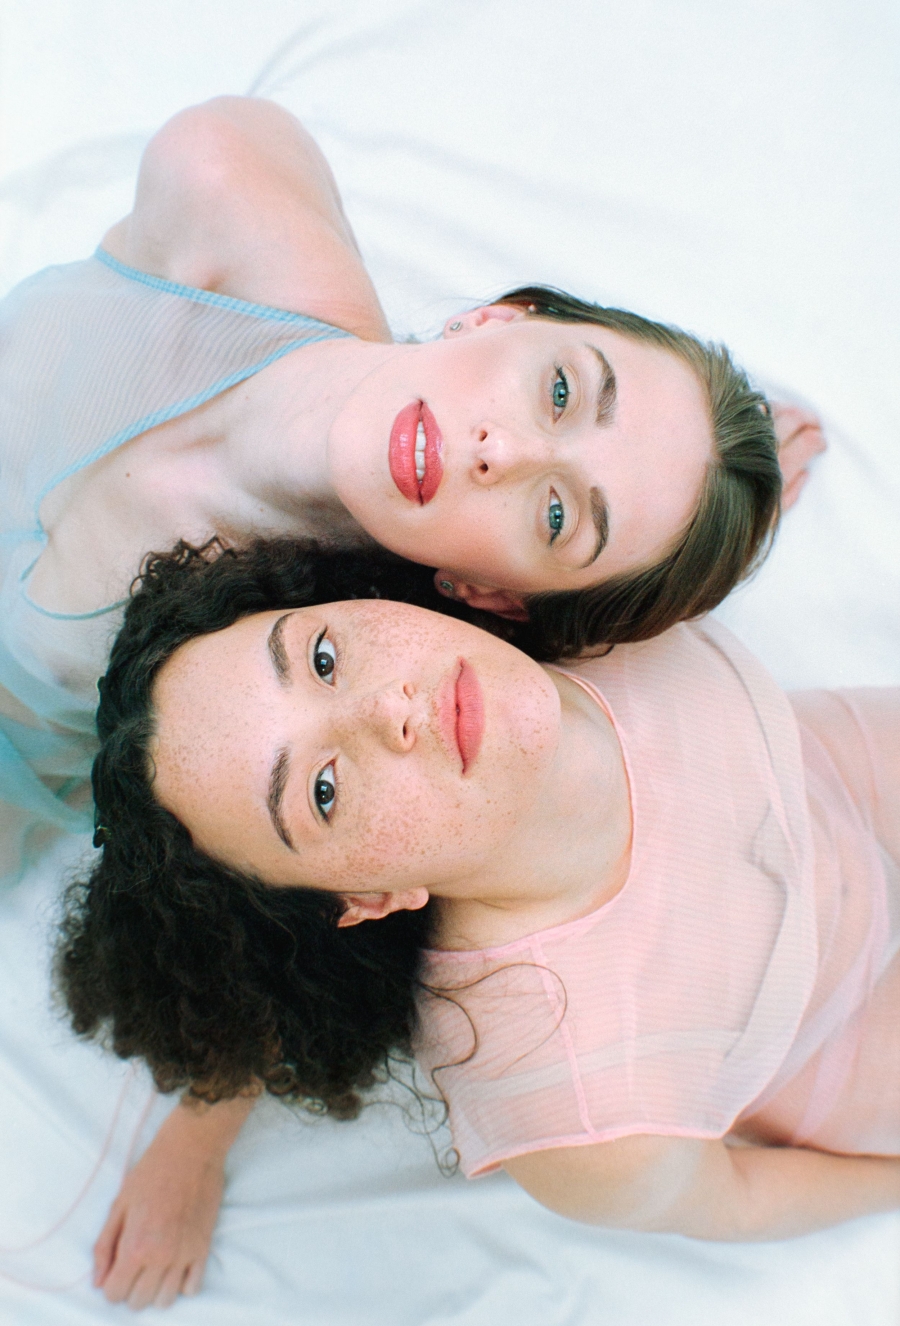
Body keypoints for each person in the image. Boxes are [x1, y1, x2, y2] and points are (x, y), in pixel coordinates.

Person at [59, 539, 899, 1309]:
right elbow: (734, 1199)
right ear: (367, 897)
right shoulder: (574, 1102)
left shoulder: (553, 575)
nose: (387, 707)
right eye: (323, 791)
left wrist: (729, 486)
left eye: (322, 658)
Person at [1, 94, 825, 871]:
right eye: (560, 391)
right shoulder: (227, 175)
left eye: (555, 515)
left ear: (492, 595)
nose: (502, 452)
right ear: (498, 318)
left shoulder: (275, 681)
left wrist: (705, 521)